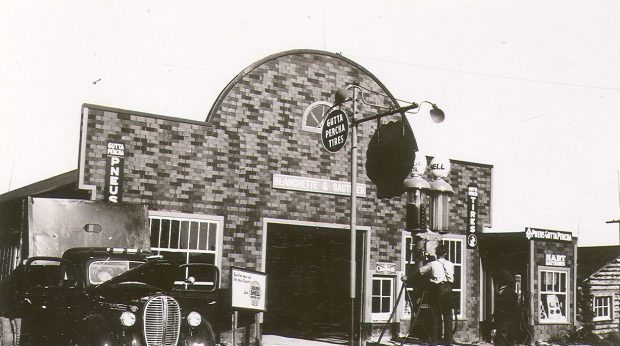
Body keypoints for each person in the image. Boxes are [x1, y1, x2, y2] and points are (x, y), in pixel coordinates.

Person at [419, 243, 454, 346]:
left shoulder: (432, 264)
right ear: (446, 253)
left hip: (438, 290)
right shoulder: (450, 264)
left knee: (435, 315)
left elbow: (420, 272)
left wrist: (408, 278)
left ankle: (435, 341)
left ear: (436, 253)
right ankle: (449, 342)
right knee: (448, 317)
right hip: (448, 290)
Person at [491, 269, 519, 346]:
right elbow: (515, 311)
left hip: (502, 326)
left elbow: (498, 312)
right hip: (512, 327)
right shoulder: (513, 294)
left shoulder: (501, 294)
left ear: (500, 282)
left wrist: (494, 326)